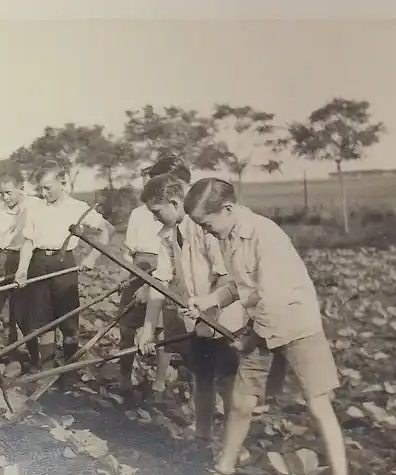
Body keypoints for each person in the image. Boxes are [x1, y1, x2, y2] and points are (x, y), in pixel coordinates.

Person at [181, 177, 351, 475]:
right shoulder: (227, 236)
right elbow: (238, 284)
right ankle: (223, 471)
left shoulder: (265, 235)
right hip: (262, 326)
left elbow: (272, 299)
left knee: (318, 405)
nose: (204, 231)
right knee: (243, 403)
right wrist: (210, 301)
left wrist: (249, 340)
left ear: (228, 209)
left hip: (297, 326)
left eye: (205, 223)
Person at [132, 173, 246, 452]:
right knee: (202, 379)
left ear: (173, 202)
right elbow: (160, 282)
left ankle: (235, 446)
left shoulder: (205, 229)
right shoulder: (167, 236)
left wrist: (210, 307)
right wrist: (148, 327)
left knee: (230, 382)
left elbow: (224, 276)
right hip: (196, 322)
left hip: (225, 320)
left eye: (157, 212)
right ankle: (203, 439)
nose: (155, 219)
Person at [15, 160, 112, 374]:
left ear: (62, 182)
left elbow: (106, 230)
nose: (43, 192)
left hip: (63, 264)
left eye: (47, 188)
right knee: (43, 322)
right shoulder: (35, 208)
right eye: (40, 188)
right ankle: (48, 372)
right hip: (38, 264)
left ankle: (69, 370)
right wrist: (22, 270)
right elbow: (28, 243)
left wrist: (92, 257)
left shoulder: (77, 208)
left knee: (69, 323)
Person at [117, 155, 192, 400]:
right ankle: (124, 378)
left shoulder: (191, 219)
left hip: (169, 276)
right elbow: (130, 251)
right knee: (128, 328)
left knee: (165, 333)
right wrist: (133, 280)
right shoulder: (143, 213)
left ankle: (160, 385)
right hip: (144, 270)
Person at [0, 182, 41, 350]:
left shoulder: (34, 205)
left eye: (8, 193)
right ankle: (10, 351)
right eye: (2, 193)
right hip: (4, 259)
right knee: (3, 313)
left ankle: (35, 357)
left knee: (25, 314)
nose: (5, 197)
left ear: (20, 188)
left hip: (27, 260)